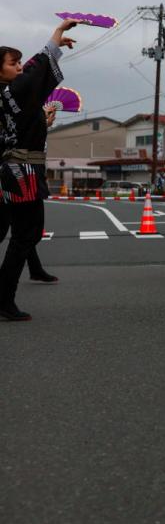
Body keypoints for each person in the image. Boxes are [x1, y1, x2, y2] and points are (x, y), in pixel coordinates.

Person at [0, 19, 79, 321]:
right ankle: (4, 298)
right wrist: (57, 37)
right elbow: (35, 73)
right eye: (13, 63)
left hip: (16, 169)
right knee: (24, 235)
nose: (20, 67)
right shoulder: (11, 93)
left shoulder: (6, 96)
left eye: (20, 62)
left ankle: (5, 293)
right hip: (22, 171)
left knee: (26, 234)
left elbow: (33, 77)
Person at [0, 101, 60, 285]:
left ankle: (35, 269)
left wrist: (43, 124)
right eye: (14, 68)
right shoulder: (9, 104)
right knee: (16, 231)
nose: (19, 69)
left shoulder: (18, 102)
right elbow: (15, 143)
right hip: (11, 177)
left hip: (24, 176)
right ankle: (5, 292)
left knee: (25, 231)